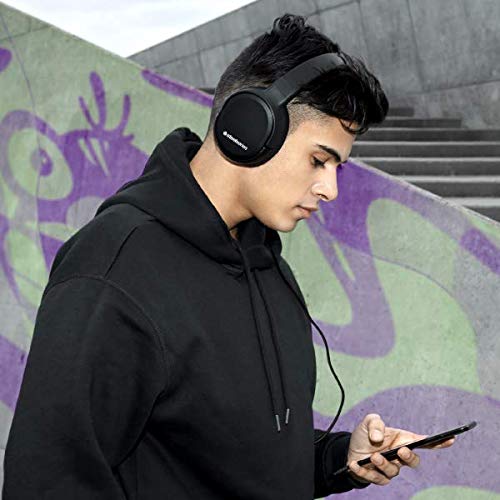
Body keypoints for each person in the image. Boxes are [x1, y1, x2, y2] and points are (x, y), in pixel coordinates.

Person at [2, 13, 455, 499]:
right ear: (249, 128)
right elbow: (48, 482)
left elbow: (236, 453)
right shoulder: (115, 266)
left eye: (336, 168)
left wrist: (337, 459)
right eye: (319, 160)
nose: (330, 189)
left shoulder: (269, 267)